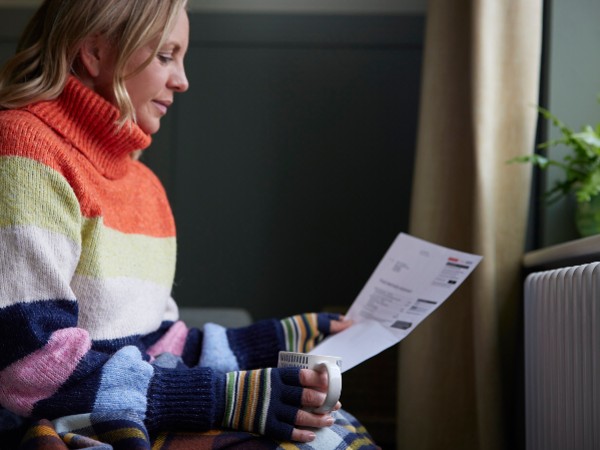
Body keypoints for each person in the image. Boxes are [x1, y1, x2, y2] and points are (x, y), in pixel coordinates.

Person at [0, 1, 378, 448]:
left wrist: (279, 338)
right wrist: (226, 400)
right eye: (166, 55)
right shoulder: (23, 153)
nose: (182, 80)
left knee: (338, 432)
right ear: (95, 52)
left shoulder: (143, 186)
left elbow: (156, 343)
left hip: (129, 401)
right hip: (59, 419)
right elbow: (31, 367)